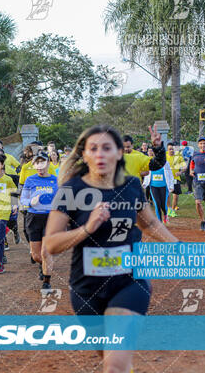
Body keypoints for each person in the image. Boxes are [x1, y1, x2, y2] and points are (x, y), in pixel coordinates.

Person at [43, 126, 180, 373]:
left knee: (114, 364)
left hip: (129, 283)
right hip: (86, 290)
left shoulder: (131, 186)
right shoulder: (71, 190)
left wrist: (177, 247)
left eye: (107, 148)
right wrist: (87, 228)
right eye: (93, 149)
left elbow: (148, 222)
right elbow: (51, 244)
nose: (100, 155)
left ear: (119, 153)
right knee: (108, 356)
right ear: (84, 155)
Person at [20, 151, 58, 289]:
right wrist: (31, 201)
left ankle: (47, 282)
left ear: (48, 163)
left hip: (50, 218)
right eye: (37, 163)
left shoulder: (56, 180)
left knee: (45, 252)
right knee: (36, 256)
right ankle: (43, 266)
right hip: (33, 217)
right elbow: (23, 199)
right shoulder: (30, 180)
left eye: (42, 163)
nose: (40, 166)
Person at [142, 149, 174, 224]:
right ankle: (160, 222)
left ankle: (165, 215)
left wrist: (171, 186)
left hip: (163, 187)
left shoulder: (166, 163)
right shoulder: (149, 162)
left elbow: (170, 175)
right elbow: (147, 174)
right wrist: (144, 183)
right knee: (157, 203)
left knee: (163, 204)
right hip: (153, 186)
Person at [166, 143, 186, 217]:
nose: (171, 150)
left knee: (176, 195)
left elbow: (184, 167)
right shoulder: (165, 155)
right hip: (167, 178)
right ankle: (169, 209)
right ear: (167, 150)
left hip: (175, 178)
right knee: (167, 194)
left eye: (172, 149)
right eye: (170, 149)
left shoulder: (178, 156)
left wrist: (180, 172)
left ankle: (173, 210)